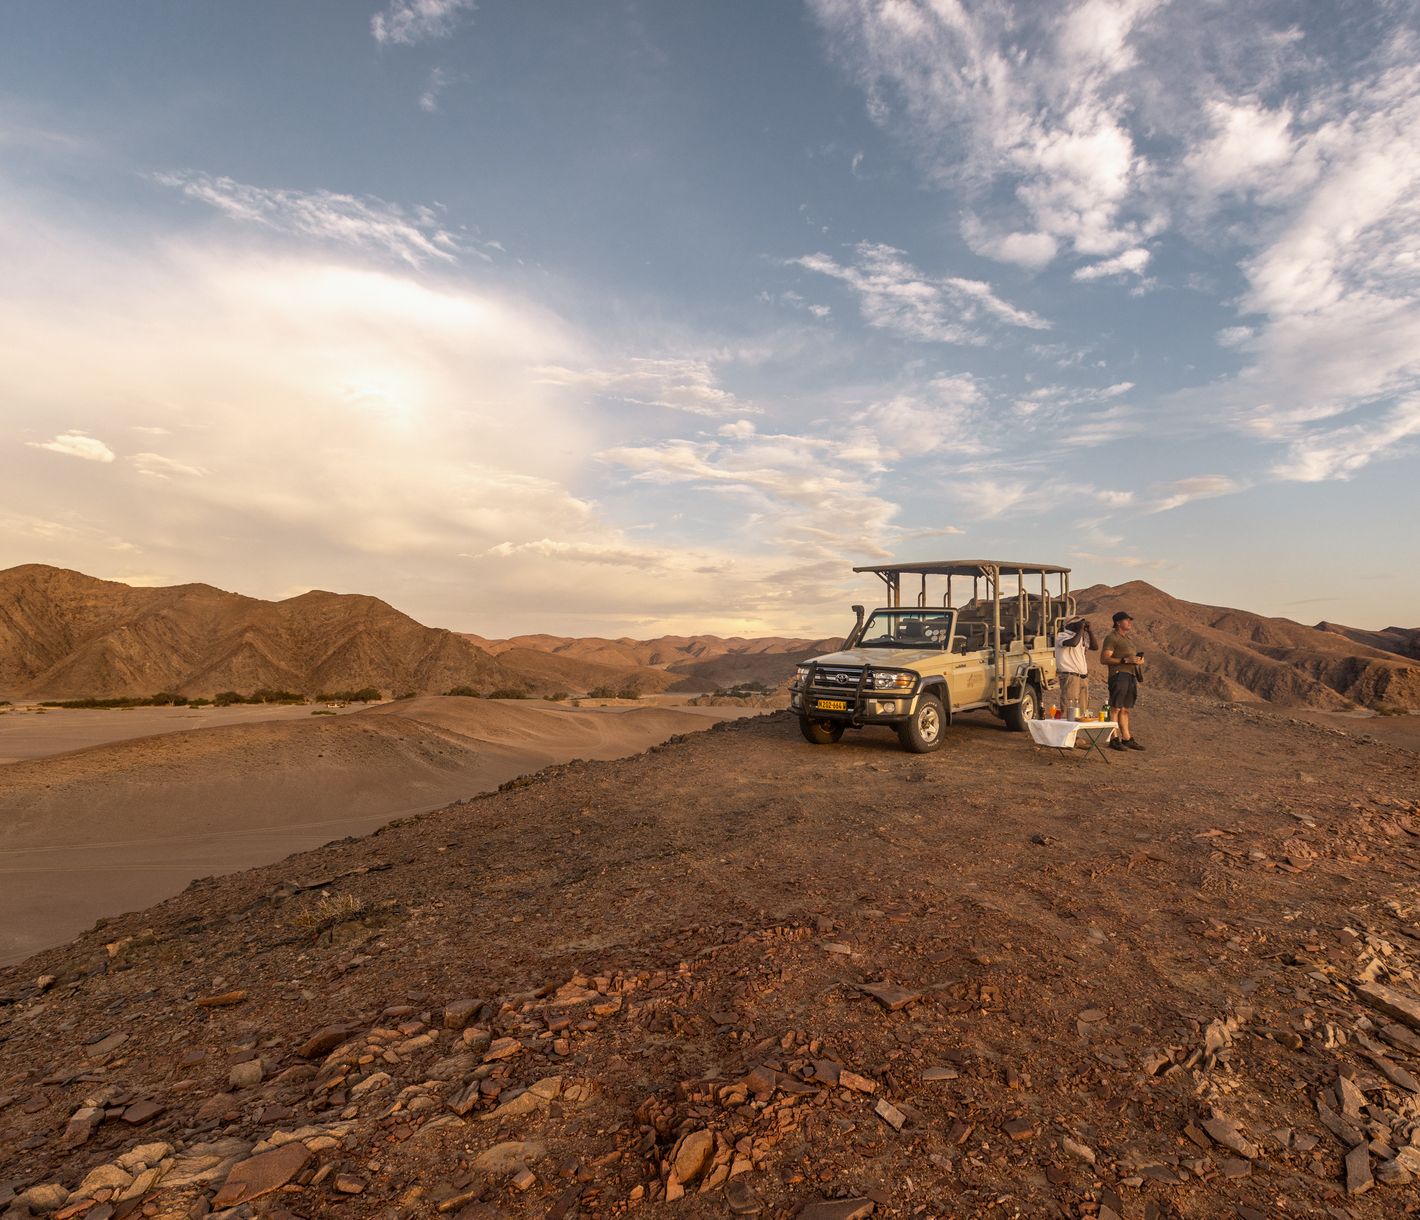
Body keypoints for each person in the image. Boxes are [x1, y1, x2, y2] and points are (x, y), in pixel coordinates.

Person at [1100, 610, 1145, 750]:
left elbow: (1130, 659)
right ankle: (1113, 738)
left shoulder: (1128, 640)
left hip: (1130, 675)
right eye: (1127, 620)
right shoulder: (1111, 638)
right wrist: (1125, 660)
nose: (1130, 622)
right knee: (1115, 708)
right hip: (1118, 675)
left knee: (1125, 709)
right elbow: (1104, 659)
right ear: (1118, 622)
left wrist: (1138, 661)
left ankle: (1126, 738)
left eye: (1130, 620)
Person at [1053, 616, 1094, 719]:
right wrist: (1080, 629)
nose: (1081, 625)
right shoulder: (1062, 636)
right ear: (1069, 625)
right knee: (1069, 708)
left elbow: (1095, 647)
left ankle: (1078, 733)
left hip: (1083, 677)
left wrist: (1089, 632)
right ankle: (1067, 733)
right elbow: (1073, 643)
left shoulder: (1079, 637)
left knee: (1083, 709)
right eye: (1078, 623)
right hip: (1070, 676)